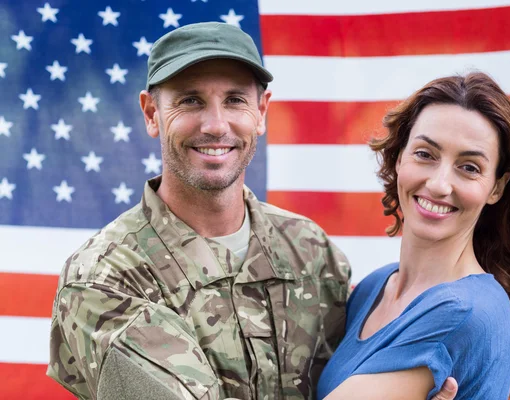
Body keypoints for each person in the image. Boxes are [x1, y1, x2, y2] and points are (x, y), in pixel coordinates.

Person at [46, 22, 459, 400]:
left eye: (235, 100)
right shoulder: (104, 279)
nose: (215, 124)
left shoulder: (312, 254)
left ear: (260, 112)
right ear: (152, 114)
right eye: (190, 101)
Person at [316, 72, 510, 400]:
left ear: (496, 187)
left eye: (469, 167)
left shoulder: (462, 312)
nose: (439, 184)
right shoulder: (372, 288)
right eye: (425, 154)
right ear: (398, 158)